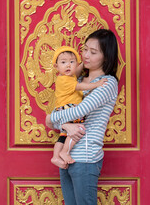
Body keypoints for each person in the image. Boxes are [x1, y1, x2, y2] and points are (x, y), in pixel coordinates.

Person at [46, 29, 119, 205]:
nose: (85, 55)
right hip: (66, 157)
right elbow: (64, 115)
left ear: (106, 57)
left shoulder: (107, 83)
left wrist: (52, 119)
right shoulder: (76, 82)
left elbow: (79, 112)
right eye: (85, 49)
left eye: (93, 52)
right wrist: (65, 125)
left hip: (86, 159)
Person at [50, 46, 107, 169]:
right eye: (63, 62)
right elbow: (80, 87)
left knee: (63, 135)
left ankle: (56, 156)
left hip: (63, 109)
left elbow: (78, 68)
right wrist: (97, 84)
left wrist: (82, 63)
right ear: (56, 67)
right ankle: (65, 152)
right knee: (78, 129)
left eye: (72, 62)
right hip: (69, 108)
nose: (68, 66)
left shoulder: (69, 76)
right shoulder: (66, 80)